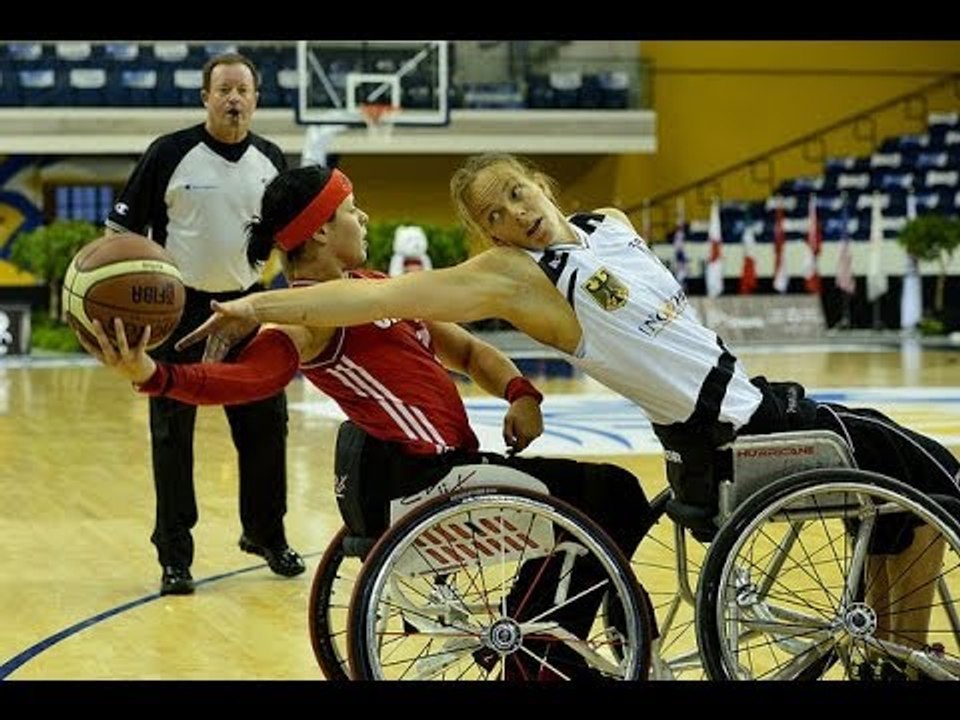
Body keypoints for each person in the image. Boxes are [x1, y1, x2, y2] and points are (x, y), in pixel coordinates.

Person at [180, 153, 960, 672]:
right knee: (933, 490)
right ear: (486, 237)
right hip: (735, 432)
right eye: (494, 214)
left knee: (907, 487)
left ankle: (894, 651)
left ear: (542, 185)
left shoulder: (611, 227)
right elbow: (373, 296)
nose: (515, 212)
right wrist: (254, 304)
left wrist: (518, 390)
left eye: (518, 191)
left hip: (762, 400)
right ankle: (904, 654)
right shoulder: (518, 279)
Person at [84, 164, 654, 680]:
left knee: (592, 500)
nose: (364, 217)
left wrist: (519, 391)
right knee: (616, 494)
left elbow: (467, 351)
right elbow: (255, 380)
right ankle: (542, 658)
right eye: (351, 209)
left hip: (443, 477)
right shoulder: (304, 317)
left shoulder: (372, 290)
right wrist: (156, 375)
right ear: (322, 232)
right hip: (422, 484)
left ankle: (534, 633)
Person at [103, 52, 303, 596]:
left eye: (244, 89)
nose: (234, 98)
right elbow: (122, 233)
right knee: (172, 436)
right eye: (224, 90)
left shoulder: (272, 158)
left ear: (257, 99)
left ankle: (266, 534)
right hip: (178, 311)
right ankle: (175, 557)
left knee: (267, 428)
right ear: (205, 97)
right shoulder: (169, 153)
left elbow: (287, 239)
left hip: (249, 309)